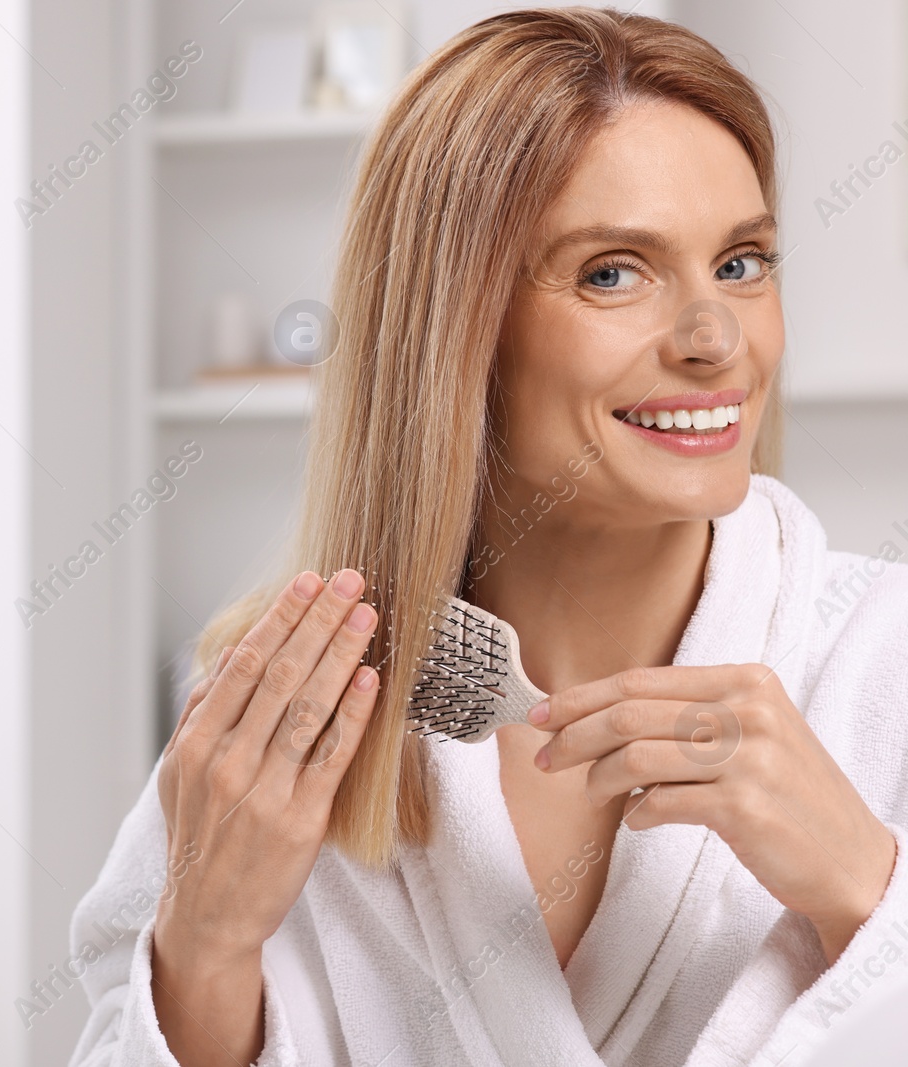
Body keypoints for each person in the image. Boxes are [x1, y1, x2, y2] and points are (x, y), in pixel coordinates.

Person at [69, 8, 908, 1066]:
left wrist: (866, 890)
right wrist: (203, 946)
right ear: (454, 327)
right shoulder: (290, 713)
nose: (715, 338)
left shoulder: (879, 657)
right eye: (614, 271)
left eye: (741, 262)